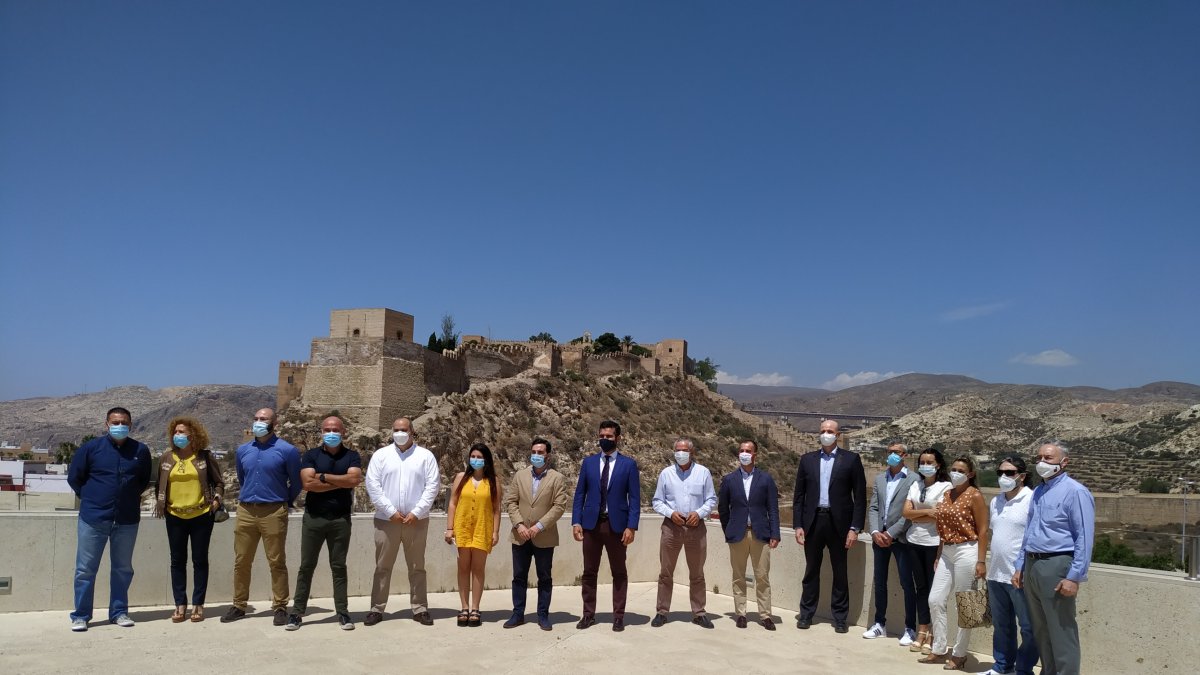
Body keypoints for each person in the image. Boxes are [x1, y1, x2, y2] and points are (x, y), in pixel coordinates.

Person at [67, 406, 153, 631]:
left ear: (131, 425)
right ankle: (81, 615)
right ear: (106, 424)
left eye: (124, 422)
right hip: (93, 518)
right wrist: (91, 498)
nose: (119, 426)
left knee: (123, 569)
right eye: (115, 422)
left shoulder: (140, 451)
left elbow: (143, 481)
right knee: (85, 569)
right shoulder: (91, 448)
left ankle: (119, 612)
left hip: (126, 519)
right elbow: (75, 478)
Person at [1012, 440, 1095, 675]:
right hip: (1033, 563)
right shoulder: (1039, 491)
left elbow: (1084, 537)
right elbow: (1029, 532)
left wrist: (1074, 576)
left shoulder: (1075, 492)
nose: (1042, 462)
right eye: (1039, 458)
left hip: (1057, 564)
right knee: (1041, 628)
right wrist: (1020, 565)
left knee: (1061, 629)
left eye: (1048, 458)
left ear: (1064, 461)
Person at [222, 408, 301, 625]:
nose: (258, 422)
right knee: (241, 560)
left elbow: (296, 481)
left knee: (276, 561)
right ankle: (239, 604)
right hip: (246, 510)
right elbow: (241, 477)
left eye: (263, 419)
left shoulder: (287, 450)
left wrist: (284, 501)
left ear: (274, 422)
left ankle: (280, 606)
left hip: (274, 510)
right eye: (256, 418)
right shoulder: (243, 450)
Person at [285, 415, 362, 631]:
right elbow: (307, 484)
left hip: (341, 519)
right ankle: (297, 613)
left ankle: (343, 612)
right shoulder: (311, 455)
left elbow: (355, 480)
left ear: (343, 432)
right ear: (321, 432)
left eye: (335, 429)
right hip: (313, 518)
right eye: (327, 429)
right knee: (306, 566)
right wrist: (340, 482)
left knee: (338, 566)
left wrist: (324, 477)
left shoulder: (352, 456)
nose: (331, 433)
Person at [364, 416, 441, 627]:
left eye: (404, 429)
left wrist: (416, 512)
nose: (400, 433)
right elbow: (372, 484)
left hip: (416, 521)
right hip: (386, 521)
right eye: (396, 429)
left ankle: (419, 608)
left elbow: (432, 486)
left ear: (412, 431)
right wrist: (390, 511)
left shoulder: (425, 456)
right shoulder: (381, 455)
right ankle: (376, 608)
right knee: (382, 566)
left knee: (417, 567)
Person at [792, 420, 866, 633]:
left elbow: (859, 498)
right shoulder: (807, 460)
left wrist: (855, 528)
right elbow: (799, 497)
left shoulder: (851, 460)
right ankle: (806, 614)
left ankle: (840, 618)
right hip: (813, 522)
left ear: (838, 434)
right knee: (811, 571)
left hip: (840, 524)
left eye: (830, 431)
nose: (826, 434)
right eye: (823, 431)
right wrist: (798, 524)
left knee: (840, 572)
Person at [571, 420, 641, 632]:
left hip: (617, 526)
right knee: (589, 572)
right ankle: (588, 615)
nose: (604, 439)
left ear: (617, 438)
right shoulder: (589, 463)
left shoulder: (628, 465)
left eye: (609, 436)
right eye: (602, 435)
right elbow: (580, 494)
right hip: (591, 524)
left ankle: (618, 616)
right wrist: (576, 521)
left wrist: (632, 526)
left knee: (619, 572)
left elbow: (635, 499)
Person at [921, 455, 989, 670]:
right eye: (954, 469)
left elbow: (983, 530)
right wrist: (939, 553)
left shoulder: (974, 496)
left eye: (961, 470)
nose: (956, 472)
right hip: (947, 551)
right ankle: (939, 647)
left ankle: (959, 654)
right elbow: (943, 527)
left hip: (967, 550)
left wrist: (981, 560)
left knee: (964, 603)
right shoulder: (947, 494)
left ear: (970, 474)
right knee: (935, 599)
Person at [154, 416, 224, 623]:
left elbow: (219, 482)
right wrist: (162, 504)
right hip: (174, 516)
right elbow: (159, 484)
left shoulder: (205, 457)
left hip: (201, 515)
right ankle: (180, 605)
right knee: (177, 561)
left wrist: (217, 500)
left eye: (182, 432)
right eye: (176, 432)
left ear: (193, 435)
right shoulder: (166, 458)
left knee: (199, 560)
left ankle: (198, 605)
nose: (178, 436)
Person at [979, 456, 1039, 675]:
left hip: (1019, 575)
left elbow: (1032, 537)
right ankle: (1002, 666)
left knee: (1029, 628)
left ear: (1022, 476)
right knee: (1002, 625)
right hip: (996, 573)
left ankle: (1023, 670)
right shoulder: (996, 501)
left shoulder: (1032, 500)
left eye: (1010, 473)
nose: (1004, 477)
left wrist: (1022, 568)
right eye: (1001, 472)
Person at [502, 438, 568, 631]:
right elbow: (511, 502)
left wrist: (539, 526)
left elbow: (559, 506)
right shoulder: (519, 476)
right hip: (520, 535)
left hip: (544, 537)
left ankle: (543, 615)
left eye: (540, 452)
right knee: (519, 576)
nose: (536, 455)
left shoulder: (557, 478)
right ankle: (517, 614)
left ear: (548, 455)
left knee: (544, 578)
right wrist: (519, 524)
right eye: (534, 452)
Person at [650, 438, 717, 628]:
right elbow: (657, 501)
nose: (680, 453)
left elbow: (711, 499)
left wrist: (699, 513)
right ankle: (662, 612)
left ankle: (699, 612)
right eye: (677, 450)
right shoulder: (666, 474)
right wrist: (671, 513)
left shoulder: (703, 473)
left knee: (697, 574)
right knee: (665, 573)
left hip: (696, 528)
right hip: (672, 528)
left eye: (684, 450)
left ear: (692, 452)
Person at [717, 440, 780, 630]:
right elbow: (723, 509)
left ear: (755, 455)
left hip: (760, 534)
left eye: (748, 451)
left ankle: (765, 615)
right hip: (738, 534)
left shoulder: (766, 479)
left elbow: (773, 509)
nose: (744, 453)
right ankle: (741, 613)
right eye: (742, 451)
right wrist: (728, 529)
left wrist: (775, 533)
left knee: (762, 577)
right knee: (738, 576)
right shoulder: (729, 480)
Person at [863, 442, 920, 644]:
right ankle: (879, 624)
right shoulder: (880, 478)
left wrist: (892, 533)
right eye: (889, 452)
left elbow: (910, 512)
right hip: (880, 538)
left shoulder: (914, 479)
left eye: (896, 452)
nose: (892, 455)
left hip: (901, 540)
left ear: (904, 454)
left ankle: (910, 627)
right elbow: (874, 507)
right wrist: (877, 531)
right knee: (880, 582)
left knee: (907, 583)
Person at [445, 443, 503, 627]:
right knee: (463, 567)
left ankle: (475, 608)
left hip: (482, 528)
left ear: (486, 460)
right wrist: (449, 528)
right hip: (462, 528)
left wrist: (495, 531)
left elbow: (496, 509)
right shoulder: (461, 478)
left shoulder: (493, 481)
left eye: (479, 457)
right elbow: (453, 503)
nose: (476, 460)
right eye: (473, 456)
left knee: (478, 569)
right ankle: (464, 607)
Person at [901, 448, 952, 656]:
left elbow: (940, 516)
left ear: (938, 464)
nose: (925, 465)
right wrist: (926, 512)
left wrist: (917, 514)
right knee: (920, 587)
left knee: (934, 591)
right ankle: (922, 628)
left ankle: (933, 633)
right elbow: (906, 513)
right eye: (922, 462)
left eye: (930, 462)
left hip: (934, 544)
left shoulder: (945, 486)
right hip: (914, 541)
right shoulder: (916, 484)